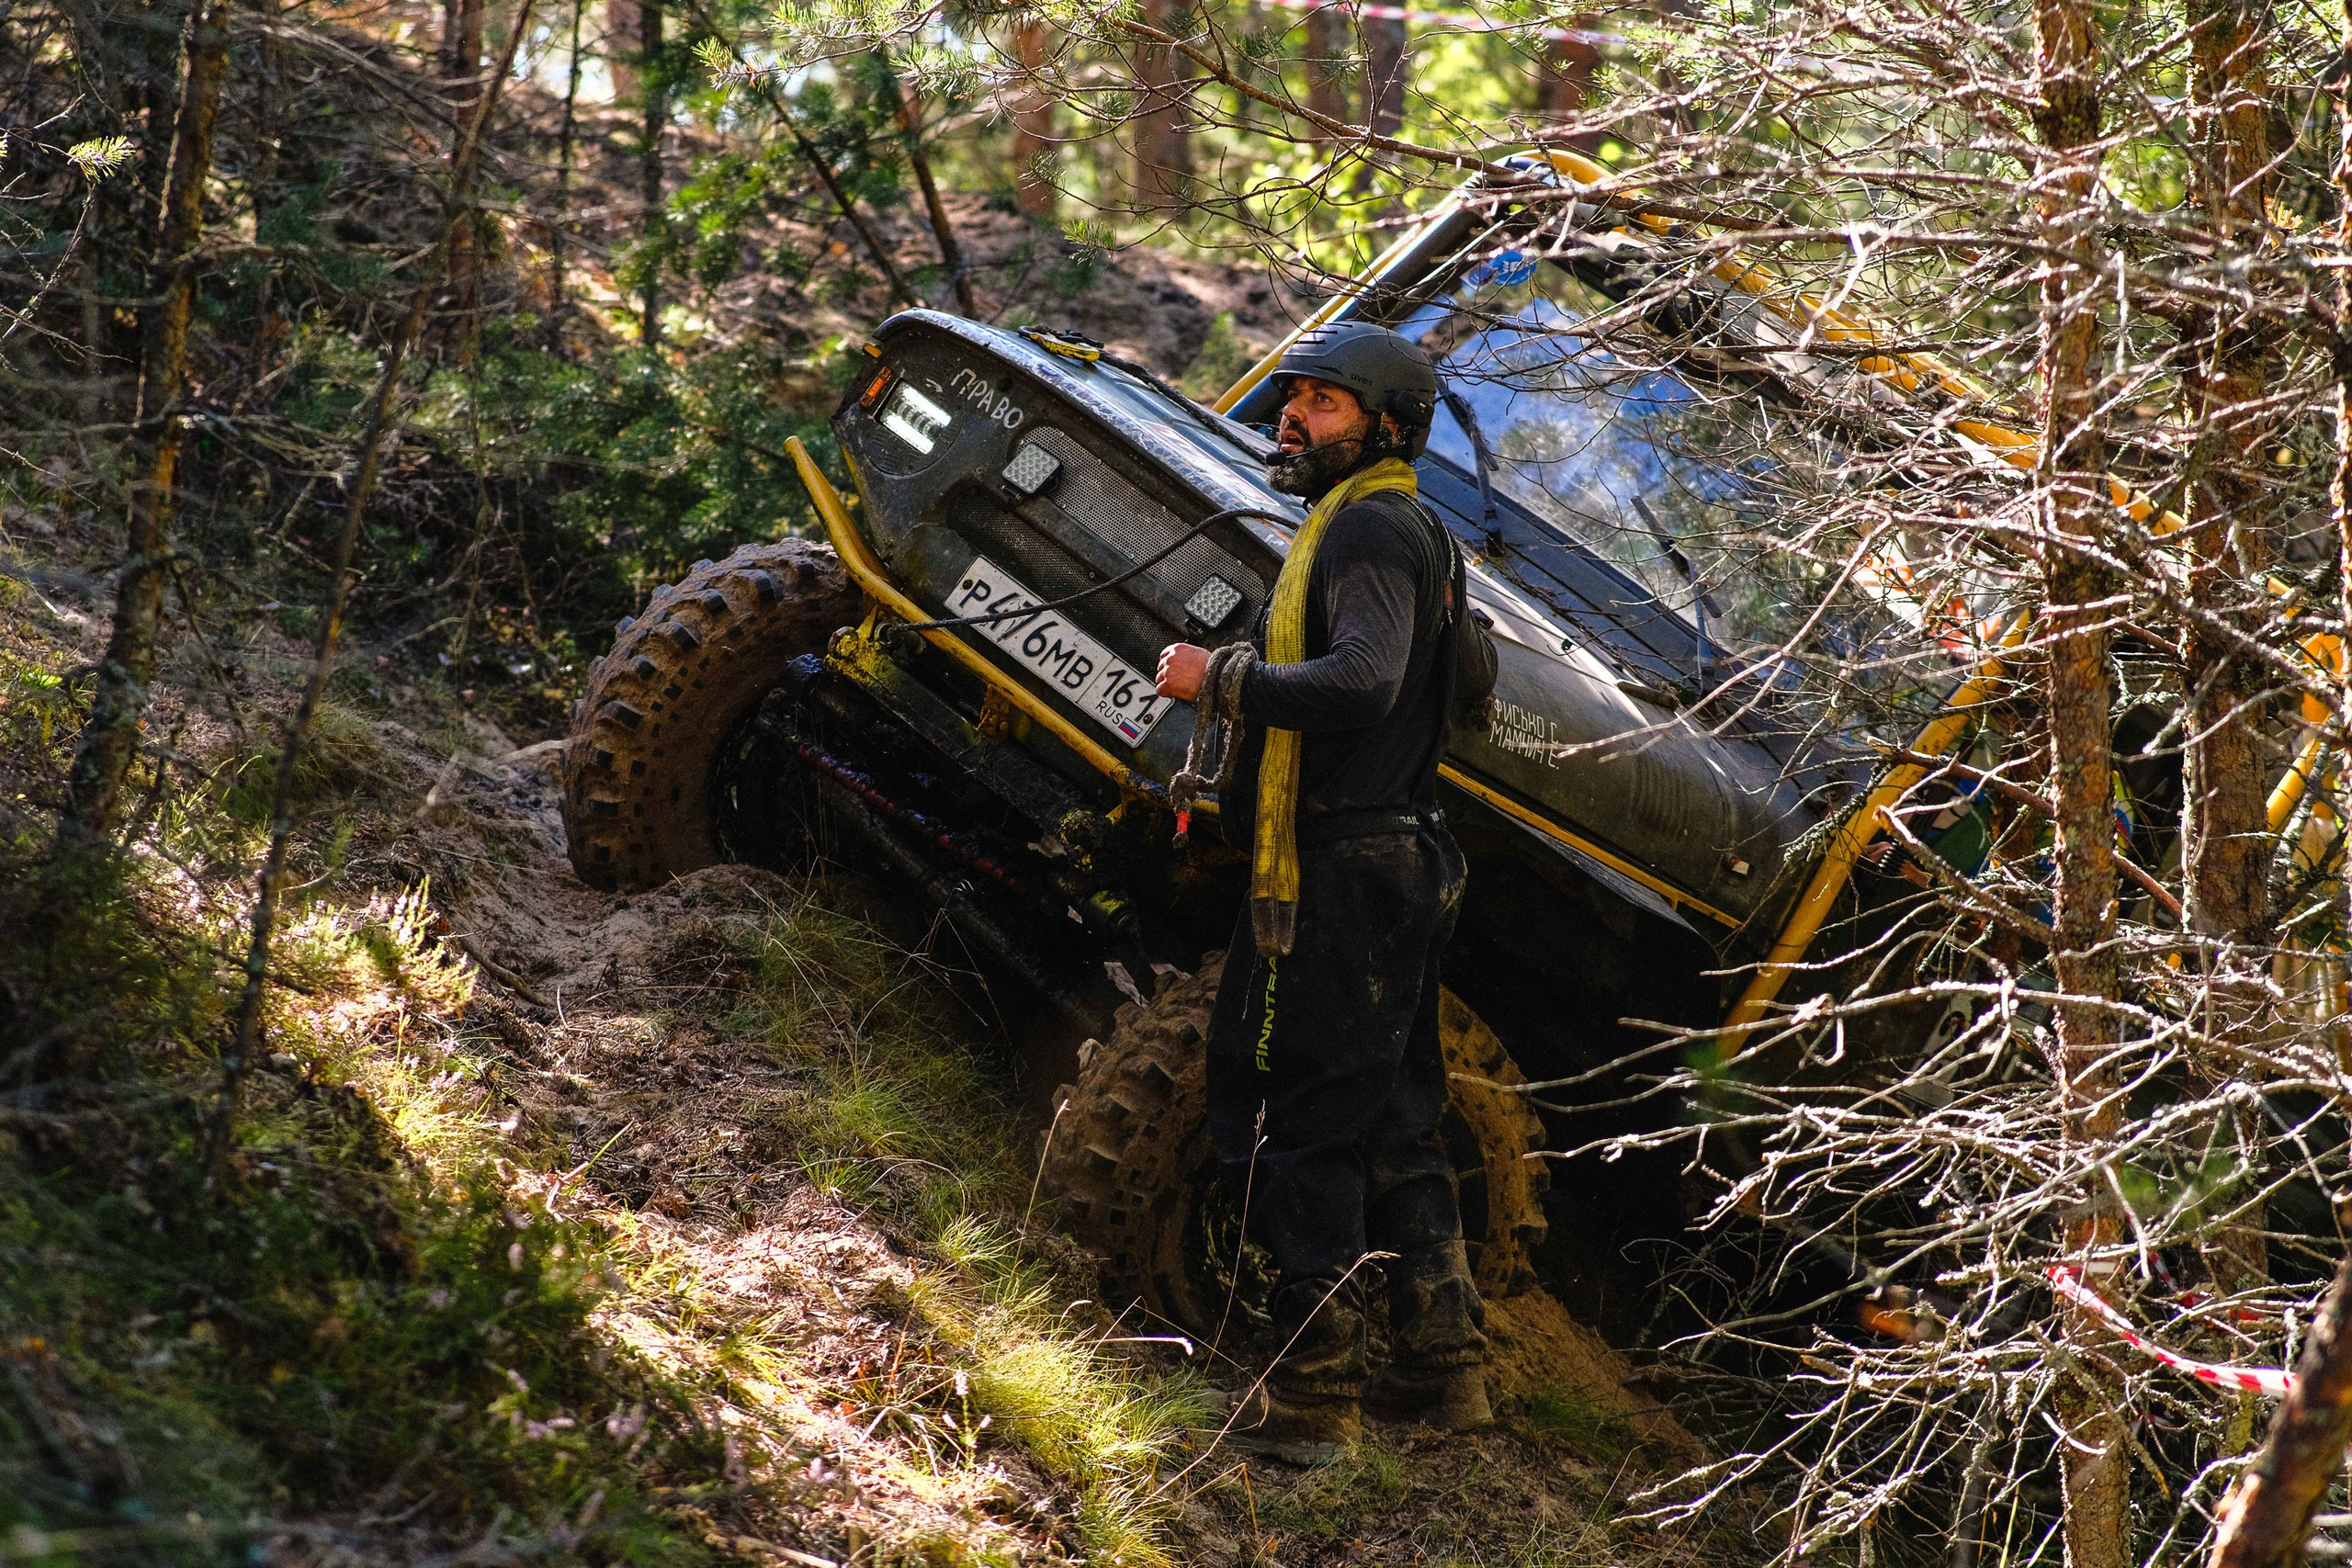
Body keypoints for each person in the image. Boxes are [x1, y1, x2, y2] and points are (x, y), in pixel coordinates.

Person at [1156, 321, 1497, 1463]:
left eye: (1327, 405)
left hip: (1343, 882)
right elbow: (1472, 682)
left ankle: (1313, 1408)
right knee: (1397, 1122)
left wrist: (1226, 680)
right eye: (1294, 397)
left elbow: (1362, 680)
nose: (1294, 417)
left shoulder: (1364, 530)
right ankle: (1445, 1379)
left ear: (1387, 428)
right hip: (1399, 866)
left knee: (1284, 1126)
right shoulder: (1420, 532)